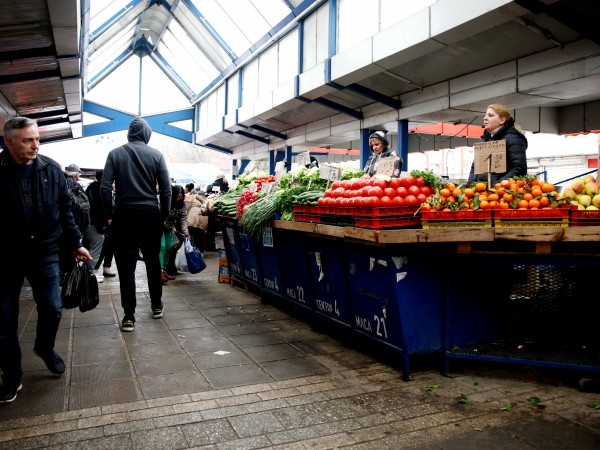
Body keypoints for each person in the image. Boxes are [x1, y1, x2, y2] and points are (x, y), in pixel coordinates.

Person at [0, 117, 91, 404]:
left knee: (52, 307)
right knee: (4, 321)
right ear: (9, 142)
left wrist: (76, 243)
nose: (35, 145)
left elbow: (66, 209)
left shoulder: (50, 169)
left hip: (45, 251)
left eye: (37, 139)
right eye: (28, 140)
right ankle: (12, 376)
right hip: (6, 255)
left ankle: (44, 346)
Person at [101, 117, 171, 332]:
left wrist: (110, 215)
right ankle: (157, 305)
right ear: (147, 134)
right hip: (150, 215)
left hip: (124, 215)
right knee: (152, 262)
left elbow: (105, 188)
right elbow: (166, 190)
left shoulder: (115, 154)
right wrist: (163, 215)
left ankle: (129, 316)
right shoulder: (157, 155)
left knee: (126, 267)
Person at [467, 103, 528, 185]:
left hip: (501, 194)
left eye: (490, 115)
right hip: (481, 192)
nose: (485, 118)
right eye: (485, 115)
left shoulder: (514, 139)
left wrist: (496, 185)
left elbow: (519, 169)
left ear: (502, 120)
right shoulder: (485, 140)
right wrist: (470, 186)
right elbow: (475, 168)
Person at [83, 170, 108, 283]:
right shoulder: (98, 189)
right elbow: (99, 209)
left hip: (91, 223)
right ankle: (90, 273)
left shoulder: (93, 187)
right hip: (94, 224)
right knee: (96, 247)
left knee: (94, 247)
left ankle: (91, 272)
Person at [160, 185, 190, 282]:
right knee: (162, 247)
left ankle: (164, 270)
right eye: (177, 197)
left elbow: (183, 220)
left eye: (180, 197)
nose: (178, 199)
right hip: (159, 227)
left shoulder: (182, 205)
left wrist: (186, 233)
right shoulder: (165, 201)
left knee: (169, 248)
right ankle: (159, 272)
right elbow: (158, 214)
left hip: (170, 228)